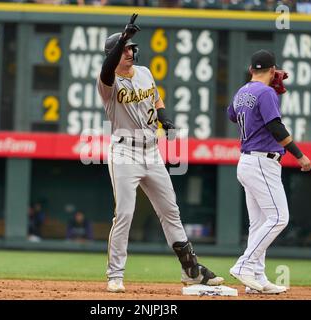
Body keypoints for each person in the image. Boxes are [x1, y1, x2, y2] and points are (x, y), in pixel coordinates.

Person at [96, 14, 224, 293]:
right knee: (125, 215)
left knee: (171, 211)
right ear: (114, 54)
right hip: (124, 153)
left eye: (131, 48)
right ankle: (115, 275)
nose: (131, 52)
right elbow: (107, 69)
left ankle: (191, 270)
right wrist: (123, 38)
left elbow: (156, 99)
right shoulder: (107, 82)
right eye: (126, 48)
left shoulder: (144, 73)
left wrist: (164, 118)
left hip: (152, 152)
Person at [227, 49, 311, 294]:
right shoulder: (266, 92)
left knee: (260, 223)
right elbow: (275, 126)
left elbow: (232, 115)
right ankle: (245, 265)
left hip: (247, 161)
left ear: (252, 69)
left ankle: (257, 279)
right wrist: (300, 155)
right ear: (273, 71)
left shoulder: (243, 90)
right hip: (262, 162)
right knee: (279, 218)